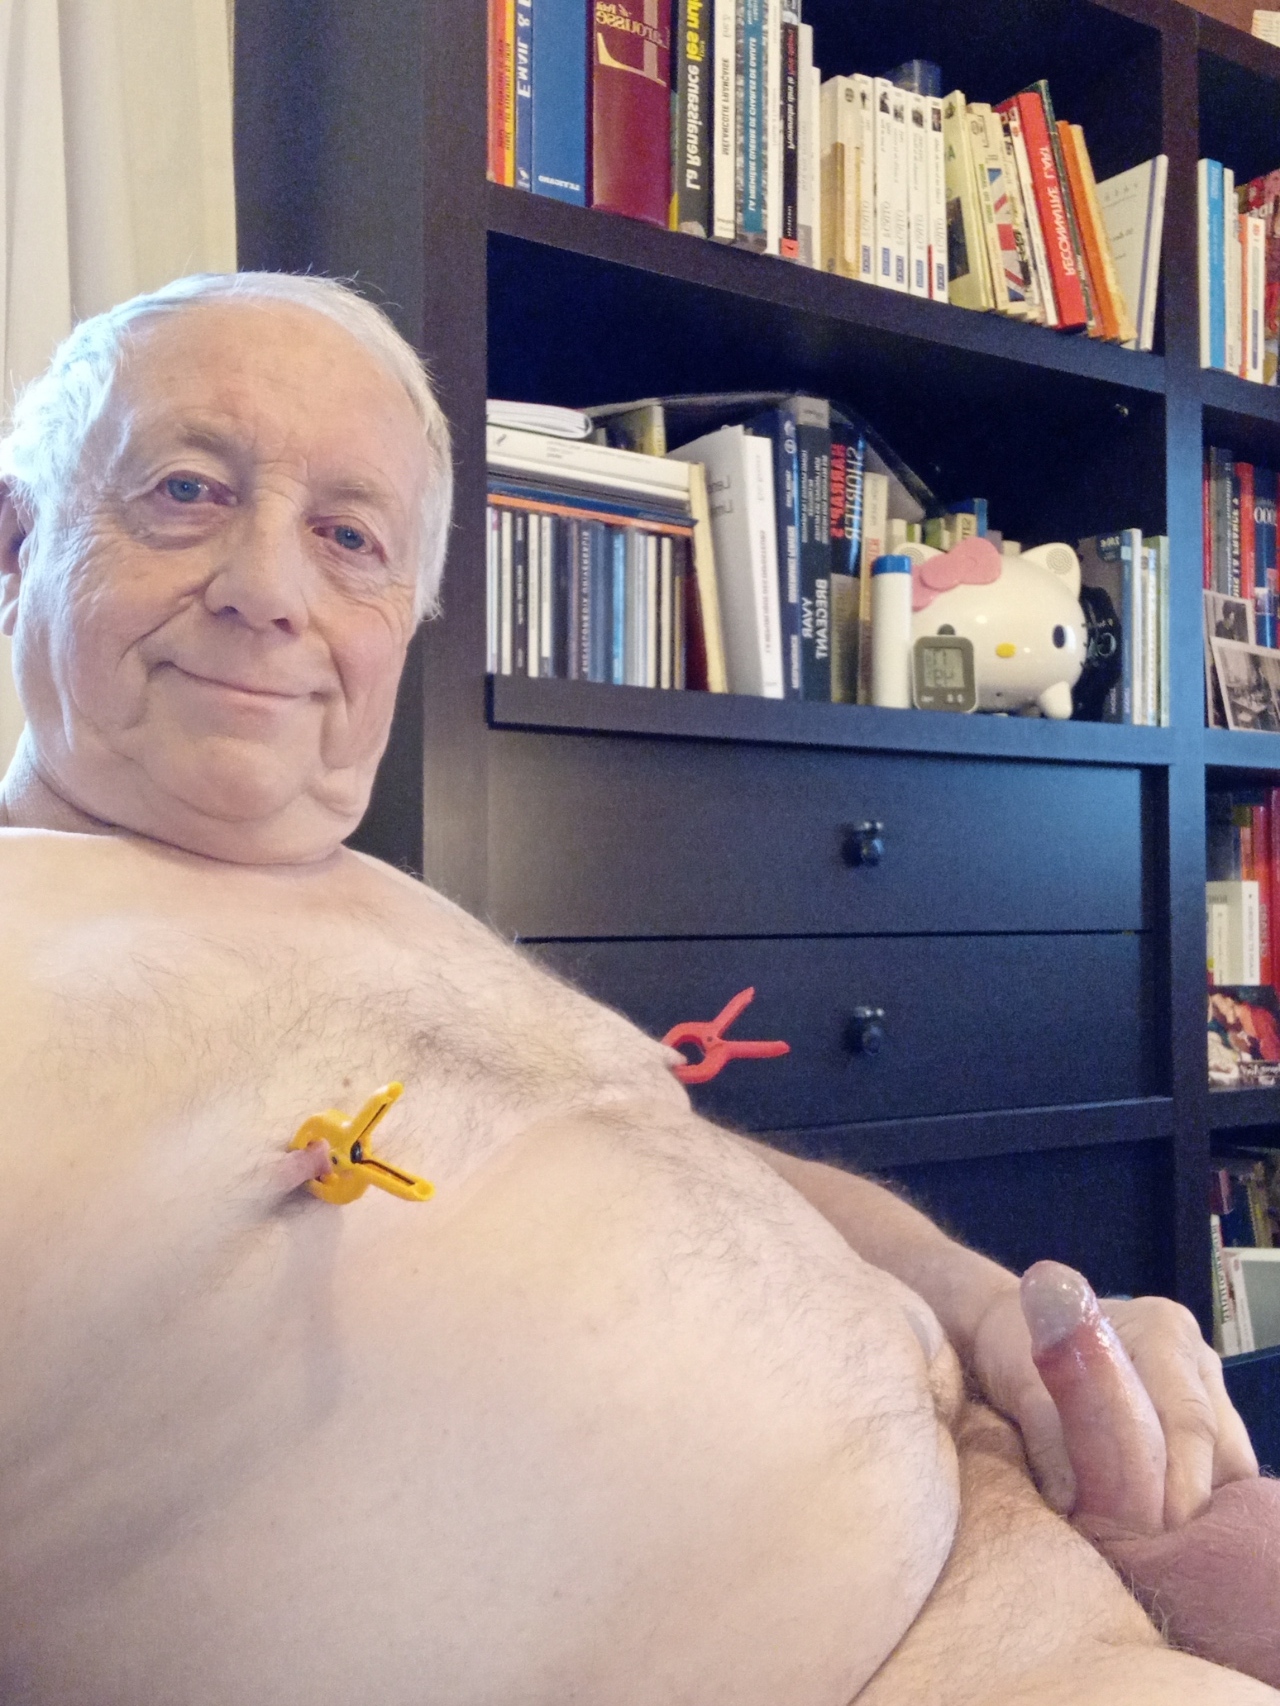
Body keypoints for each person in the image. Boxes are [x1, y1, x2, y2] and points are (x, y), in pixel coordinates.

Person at [0, 273, 1275, 1706]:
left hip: (1104, 1569)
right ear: (19, 544)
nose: (270, 591)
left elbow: (685, 1150)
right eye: (185, 491)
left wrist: (984, 1308)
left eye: (348, 536)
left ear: (405, 618)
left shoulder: (388, 911)